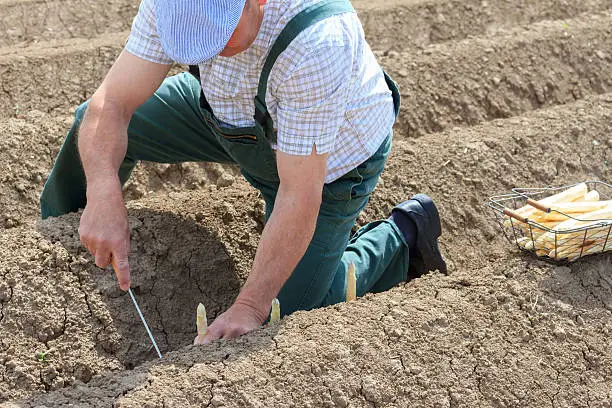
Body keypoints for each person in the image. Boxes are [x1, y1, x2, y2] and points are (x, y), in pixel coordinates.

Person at [40, 0, 447, 344]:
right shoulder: (173, 5)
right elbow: (110, 105)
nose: (207, 54)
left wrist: (249, 308)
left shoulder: (318, 40)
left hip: (329, 161)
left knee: (284, 318)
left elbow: (299, 194)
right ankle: (59, 243)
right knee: (90, 136)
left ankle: (401, 238)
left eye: (218, 37)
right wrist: (101, 190)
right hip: (229, 115)